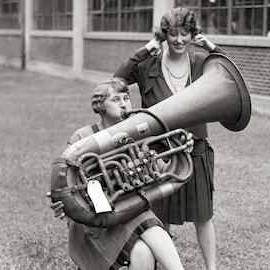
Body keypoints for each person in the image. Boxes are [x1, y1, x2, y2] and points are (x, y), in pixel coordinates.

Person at [114, 7, 223, 270]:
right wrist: (146, 48)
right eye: (173, 34)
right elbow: (118, 78)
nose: (179, 40)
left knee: (203, 216)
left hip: (195, 150)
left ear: (193, 34)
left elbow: (227, 74)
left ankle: (212, 268)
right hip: (158, 154)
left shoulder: (200, 62)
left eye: (185, 33)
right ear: (165, 35)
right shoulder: (149, 63)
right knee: (161, 216)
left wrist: (212, 46)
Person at [48, 78, 186, 270]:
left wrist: (179, 154)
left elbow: (161, 171)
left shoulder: (138, 133)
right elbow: (64, 178)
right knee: (142, 219)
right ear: (100, 106)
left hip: (128, 207)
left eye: (126, 97)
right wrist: (62, 202)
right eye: (115, 99)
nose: (124, 103)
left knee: (142, 251)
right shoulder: (82, 137)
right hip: (94, 218)